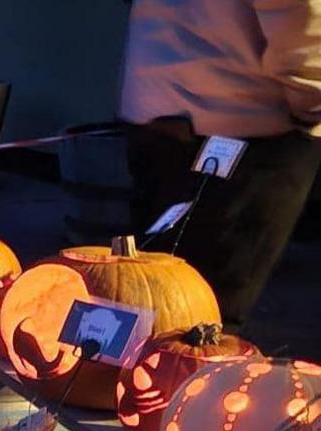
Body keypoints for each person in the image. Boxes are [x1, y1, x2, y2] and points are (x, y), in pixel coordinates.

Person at [120, 0, 321, 326]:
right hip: (247, 120)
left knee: (151, 295)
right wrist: (313, 98)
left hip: (156, 99)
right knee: (206, 314)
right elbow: (299, 18)